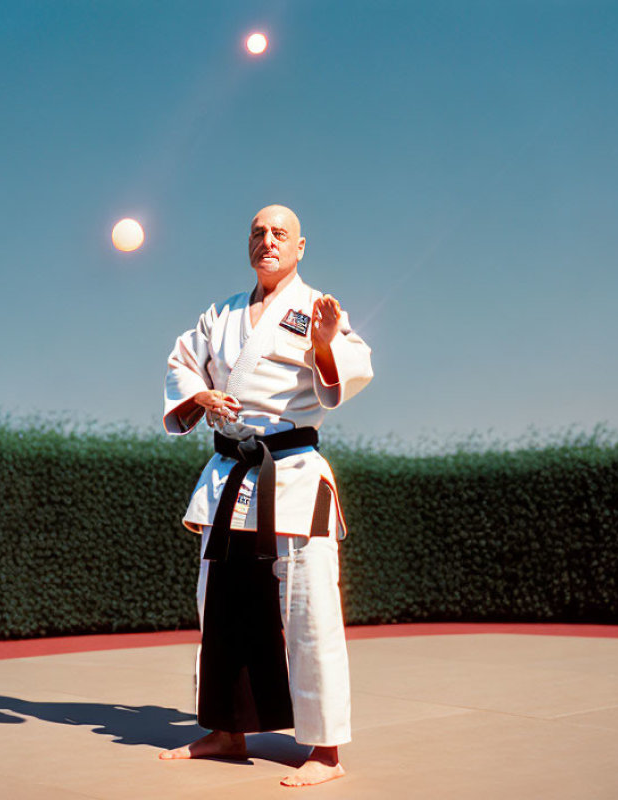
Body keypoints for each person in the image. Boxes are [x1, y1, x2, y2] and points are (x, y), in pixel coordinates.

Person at [158, 204, 373, 787]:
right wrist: (200, 396)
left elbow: (352, 369)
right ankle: (227, 729)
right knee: (222, 605)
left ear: (301, 247)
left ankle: (326, 750)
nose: (267, 240)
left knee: (309, 611)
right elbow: (183, 362)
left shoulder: (317, 309)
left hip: (294, 473)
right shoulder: (221, 312)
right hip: (230, 476)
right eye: (258, 232)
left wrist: (325, 344)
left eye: (280, 233)